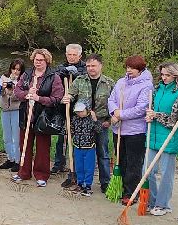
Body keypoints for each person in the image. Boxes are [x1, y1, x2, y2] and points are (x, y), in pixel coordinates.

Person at [142, 63, 178, 216]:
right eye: (162, 74)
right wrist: (149, 116)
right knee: (147, 170)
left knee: (166, 174)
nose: (164, 78)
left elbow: (175, 121)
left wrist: (156, 115)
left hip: (170, 138)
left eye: (167, 75)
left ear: (176, 76)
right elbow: (153, 110)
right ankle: (151, 200)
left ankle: (163, 204)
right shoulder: (157, 90)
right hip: (154, 135)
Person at [14, 49, 63, 186]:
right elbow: (17, 91)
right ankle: (23, 172)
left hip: (43, 117)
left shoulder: (53, 77)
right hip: (26, 115)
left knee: (42, 148)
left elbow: (57, 98)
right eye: (36, 59)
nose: (38, 62)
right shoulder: (27, 74)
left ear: (47, 61)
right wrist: (26, 94)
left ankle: (41, 175)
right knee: (24, 145)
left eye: (41, 60)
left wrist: (39, 98)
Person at [108, 56, 154, 200]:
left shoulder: (146, 85)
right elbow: (111, 99)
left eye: (132, 68)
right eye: (127, 67)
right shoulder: (121, 82)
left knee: (133, 163)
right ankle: (120, 187)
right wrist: (114, 111)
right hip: (119, 129)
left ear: (140, 69)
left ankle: (131, 192)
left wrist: (120, 114)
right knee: (121, 160)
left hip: (135, 131)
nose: (128, 71)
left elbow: (141, 108)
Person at [67, 56, 114, 193]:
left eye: (93, 66)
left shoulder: (109, 83)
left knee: (103, 153)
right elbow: (71, 94)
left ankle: (105, 182)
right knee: (81, 152)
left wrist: (109, 122)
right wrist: (68, 98)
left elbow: (114, 103)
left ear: (100, 66)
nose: (90, 69)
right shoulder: (80, 80)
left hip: (101, 121)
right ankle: (80, 180)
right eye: (88, 66)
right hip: (82, 122)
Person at [50, 44, 86, 177]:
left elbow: (85, 82)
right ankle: (59, 163)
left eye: (74, 55)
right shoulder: (61, 67)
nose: (71, 57)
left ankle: (75, 166)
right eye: (69, 55)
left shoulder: (84, 68)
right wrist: (62, 73)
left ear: (80, 56)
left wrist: (77, 74)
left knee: (77, 137)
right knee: (62, 137)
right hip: (63, 108)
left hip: (78, 109)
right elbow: (54, 77)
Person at [0, 57, 25, 170]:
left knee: (16, 137)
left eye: (18, 70)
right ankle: (10, 158)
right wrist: (3, 89)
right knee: (6, 137)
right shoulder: (4, 78)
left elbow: (19, 97)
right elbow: (0, 94)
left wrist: (13, 90)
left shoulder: (23, 81)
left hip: (16, 110)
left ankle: (18, 160)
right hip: (5, 110)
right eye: (14, 69)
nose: (15, 72)